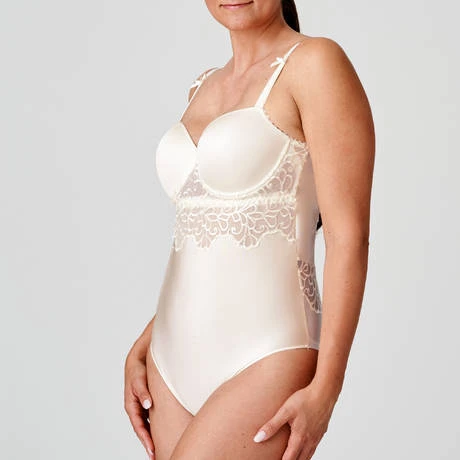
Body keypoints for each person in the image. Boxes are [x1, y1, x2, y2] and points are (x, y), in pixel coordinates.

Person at [124, 1, 375, 459]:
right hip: (168, 360)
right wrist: (148, 336)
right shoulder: (202, 86)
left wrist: (327, 388)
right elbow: (208, 232)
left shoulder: (316, 63)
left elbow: (348, 237)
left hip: (268, 353)